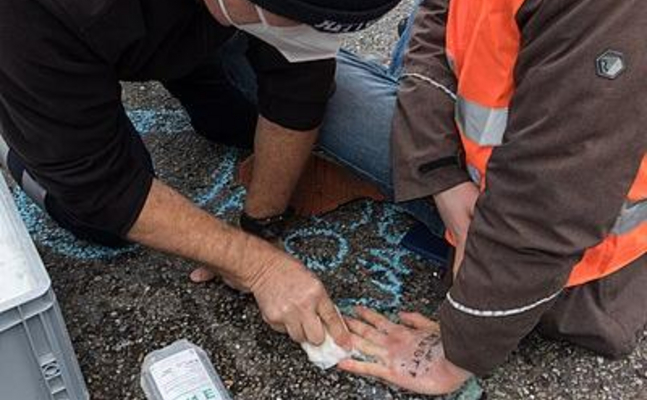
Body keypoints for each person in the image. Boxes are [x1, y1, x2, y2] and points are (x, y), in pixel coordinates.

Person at [0, 0, 401, 349]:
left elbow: (299, 85)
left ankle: (183, 52)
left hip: (180, 19)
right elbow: (102, 186)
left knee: (236, 123)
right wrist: (257, 266)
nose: (301, 32)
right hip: (41, 47)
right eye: (289, 17)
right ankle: (17, 136)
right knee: (99, 222)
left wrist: (259, 226)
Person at [310, 0, 647, 395]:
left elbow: (551, 201)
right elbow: (438, 15)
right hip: (465, 196)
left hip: (575, 268)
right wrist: (440, 175)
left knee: (284, 71)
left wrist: (462, 348)